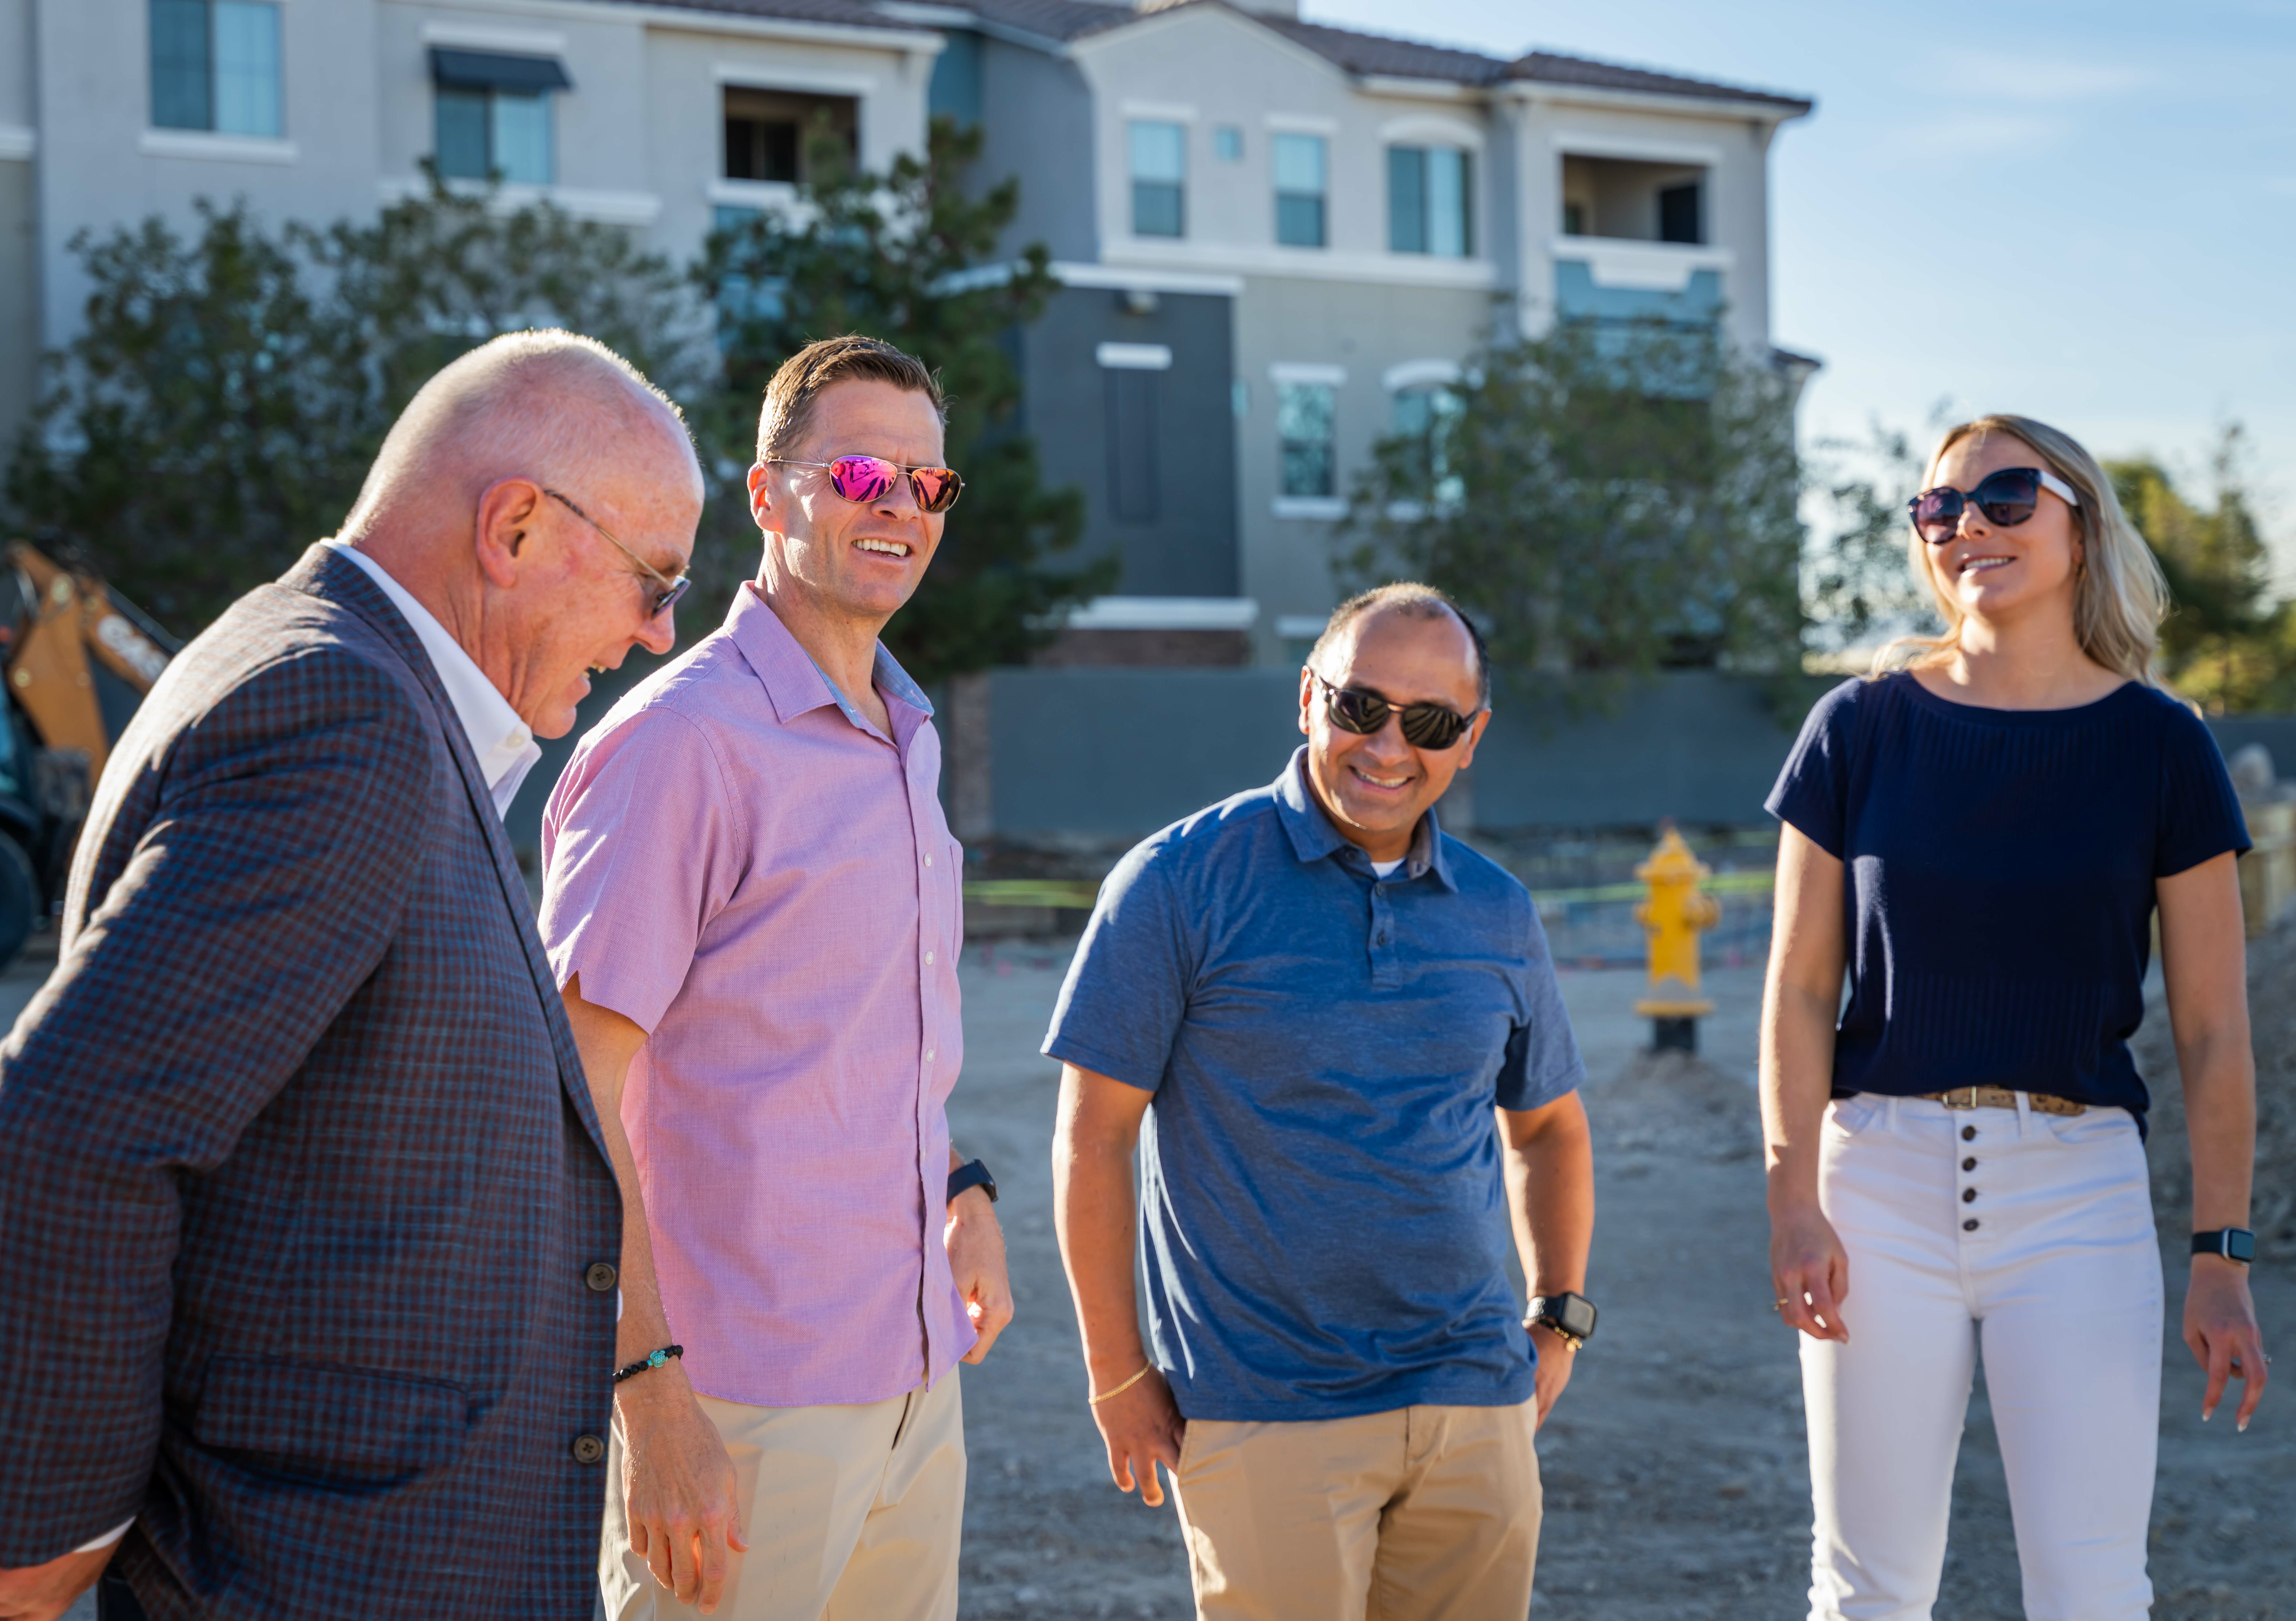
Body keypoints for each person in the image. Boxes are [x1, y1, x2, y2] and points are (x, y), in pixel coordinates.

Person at [0, 329, 700, 1620]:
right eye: (654, 578)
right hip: (311, 1577)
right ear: (515, 526)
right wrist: (38, 1551)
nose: (655, 632)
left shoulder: (344, 683)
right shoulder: (345, 716)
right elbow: (78, 1126)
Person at [1760, 414, 2270, 1620]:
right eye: (1939, 508)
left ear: (2080, 519)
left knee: (2093, 1588)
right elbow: (1793, 988)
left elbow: (2212, 1028)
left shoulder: (2164, 745)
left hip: (2079, 1193)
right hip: (1874, 1184)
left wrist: (2223, 1251)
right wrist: (1792, 1196)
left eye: (2004, 496)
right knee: (1866, 1587)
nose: (1969, 526)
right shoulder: (1858, 726)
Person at [539, 333, 1011, 1621]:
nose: (900, 508)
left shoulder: (902, 732)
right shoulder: (679, 745)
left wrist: (959, 1183)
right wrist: (649, 1390)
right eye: (861, 473)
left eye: (929, 483)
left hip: (915, 1375)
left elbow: (857, 1034)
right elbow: (572, 1097)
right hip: (738, 1400)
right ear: (765, 494)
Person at [1046, 582, 1596, 1621]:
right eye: (1361, 706)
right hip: (1264, 1409)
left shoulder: (1499, 908)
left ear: (1472, 739)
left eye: (1430, 723)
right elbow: (1094, 1135)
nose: (1389, 745)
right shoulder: (1176, 882)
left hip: (1476, 1401)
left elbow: (1551, 1128)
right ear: (1309, 697)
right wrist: (1116, 1370)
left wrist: (1560, 1316)